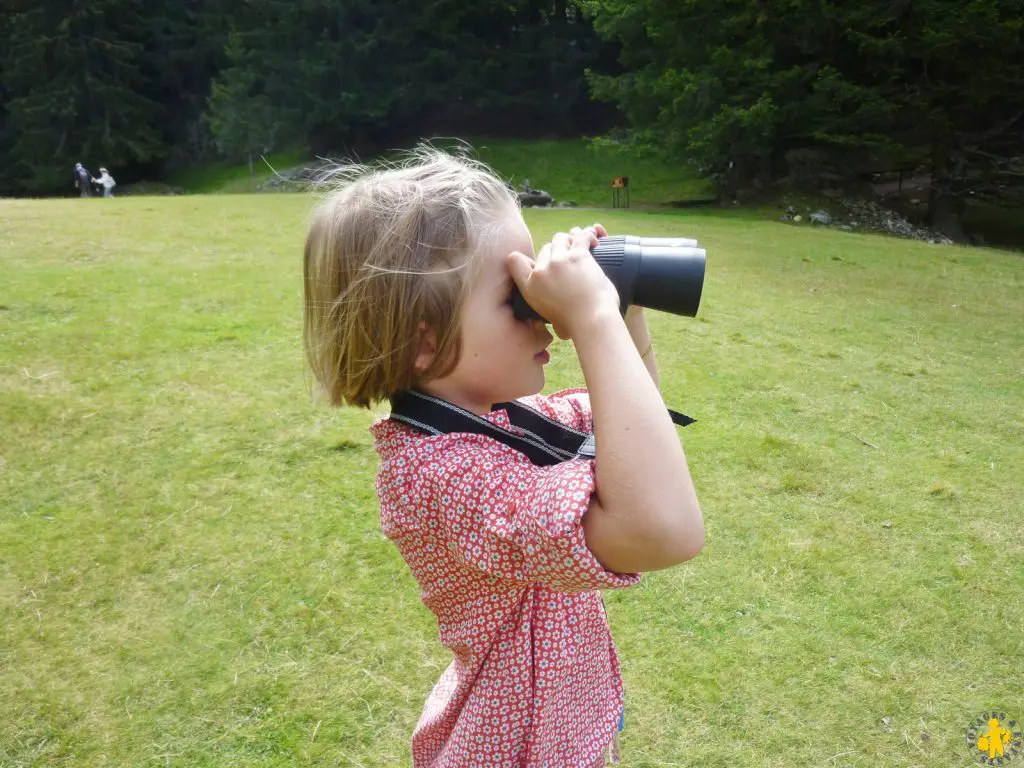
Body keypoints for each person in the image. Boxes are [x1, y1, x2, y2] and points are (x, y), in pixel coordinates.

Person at [303, 149, 704, 768]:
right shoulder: (438, 474)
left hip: (568, 718)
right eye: (515, 297)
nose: (541, 310)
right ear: (424, 339)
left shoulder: (499, 419)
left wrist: (619, 314)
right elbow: (660, 530)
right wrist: (591, 319)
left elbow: (630, 426)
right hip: (517, 746)